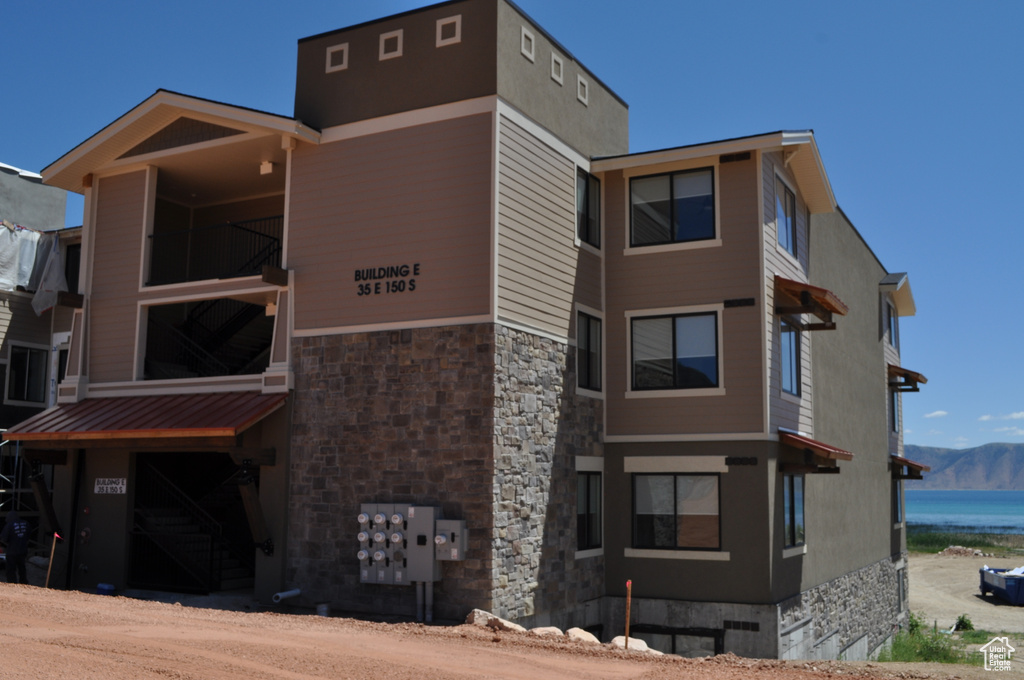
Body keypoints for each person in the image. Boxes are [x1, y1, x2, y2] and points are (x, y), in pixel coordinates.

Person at [0, 510, 30, 584]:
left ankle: (12, 584)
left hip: (12, 551)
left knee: (10, 569)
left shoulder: (9, 525)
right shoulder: (26, 523)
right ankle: (23, 583)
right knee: (22, 568)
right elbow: (29, 535)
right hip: (23, 550)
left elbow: (4, 538)